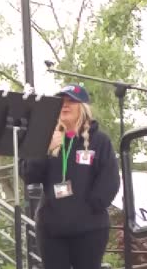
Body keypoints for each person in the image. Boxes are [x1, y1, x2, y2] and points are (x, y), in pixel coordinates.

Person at [19, 84, 120, 269]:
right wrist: (44, 149)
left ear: (83, 107)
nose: (65, 105)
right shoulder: (45, 136)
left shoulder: (100, 141)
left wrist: (89, 207)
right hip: (51, 229)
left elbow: (110, 180)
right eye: (61, 101)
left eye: (71, 101)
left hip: (90, 228)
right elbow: (28, 175)